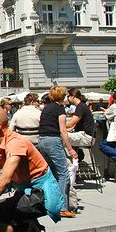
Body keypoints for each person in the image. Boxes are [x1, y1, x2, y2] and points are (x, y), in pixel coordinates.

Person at [36, 86, 77, 218]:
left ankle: (49, 204)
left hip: (41, 140)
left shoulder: (47, 107)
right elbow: (63, 130)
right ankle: (62, 207)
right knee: (63, 174)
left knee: (51, 174)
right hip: (53, 141)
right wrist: (70, 149)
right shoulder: (59, 109)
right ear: (63, 96)